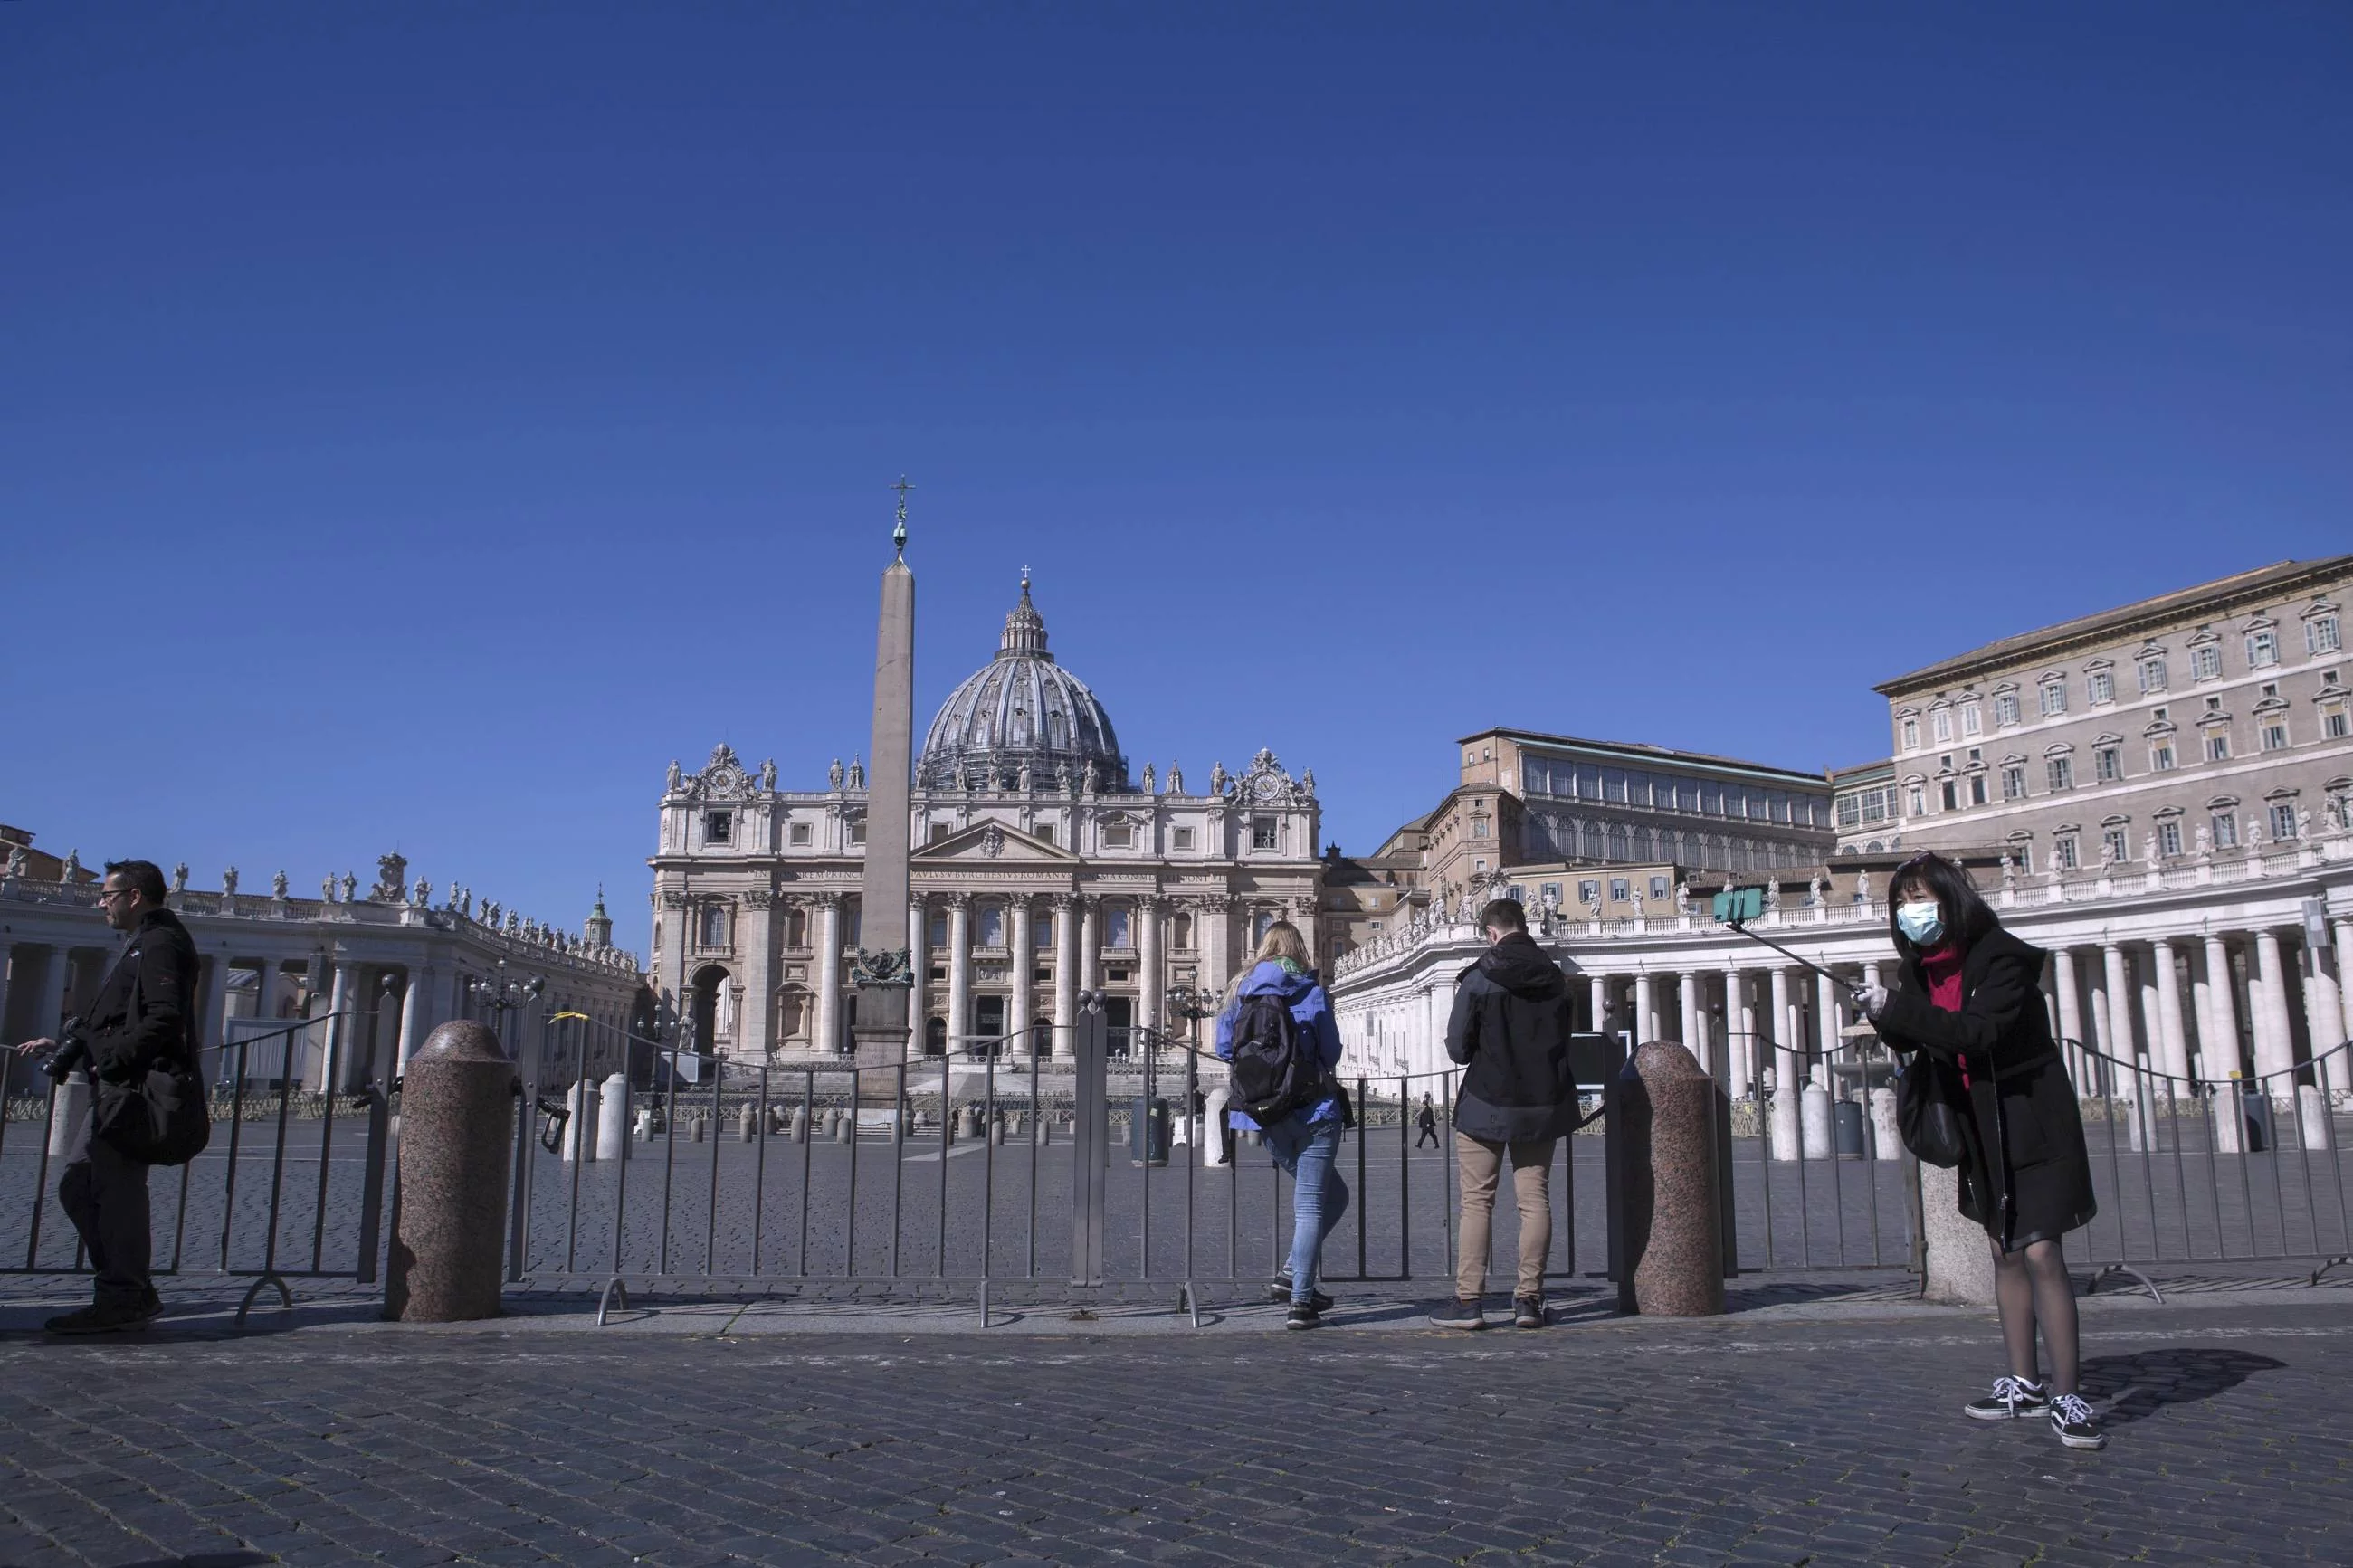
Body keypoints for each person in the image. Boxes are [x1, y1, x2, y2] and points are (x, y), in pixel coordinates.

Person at [1857, 852, 2105, 1450]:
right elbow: (1921, 1031)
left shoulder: (2002, 958)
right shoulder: (1919, 969)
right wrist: (1884, 1015)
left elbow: (1978, 1031)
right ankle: (2024, 1379)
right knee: (2004, 1250)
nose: (1910, 911)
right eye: (1901, 902)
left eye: (1919, 897)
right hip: (1978, 1121)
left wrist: (1902, 1011)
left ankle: (2069, 1391)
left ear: (1949, 898)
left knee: (2042, 1249)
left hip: (2029, 1118)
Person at [12, 859, 197, 1334]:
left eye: (107, 895)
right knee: (80, 1185)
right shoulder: (146, 941)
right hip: (119, 1085)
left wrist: (111, 1058)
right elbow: (122, 1018)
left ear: (135, 896)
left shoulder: (161, 942)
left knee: (113, 1193)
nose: (100, 903)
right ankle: (131, 1287)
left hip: (131, 1090)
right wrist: (75, 1045)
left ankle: (123, 1295)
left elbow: (162, 1018)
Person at [1432, 898, 1579, 1331]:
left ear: (1491, 933)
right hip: (1541, 1103)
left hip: (1486, 1102)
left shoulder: (1478, 978)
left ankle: (1469, 1302)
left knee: (1477, 1202)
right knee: (1535, 1201)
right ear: (1522, 925)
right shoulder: (1555, 978)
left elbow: (1457, 1048)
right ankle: (1529, 1301)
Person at [1215, 921, 1348, 1329]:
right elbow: (1332, 1052)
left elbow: (1223, 1048)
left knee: (1335, 1196)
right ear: (1298, 949)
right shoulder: (1311, 990)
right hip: (1314, 1112)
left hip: (1266, 1116)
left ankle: (1292, 1273)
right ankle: (1301, 1301)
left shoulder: (1241, 990)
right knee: (1311, 1206)